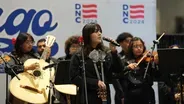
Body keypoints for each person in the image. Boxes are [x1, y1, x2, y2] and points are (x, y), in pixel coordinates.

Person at [69, 23, 122, 104]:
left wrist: (114, 52)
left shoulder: (105, 52)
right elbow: (75, 78)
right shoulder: (80, 55)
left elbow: (117, 71)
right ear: (88, 35)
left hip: (104, 95)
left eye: (100, 31)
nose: (99, 33)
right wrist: (95, 82)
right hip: (88, 95)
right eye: (96, 31)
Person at [114, 37, 160, 104]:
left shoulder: (148, 59)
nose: (139, 48)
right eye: (135, 46)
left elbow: (157, 75)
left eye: (141, 46)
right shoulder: (125, 61)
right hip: (131, 95)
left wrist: (156, 64)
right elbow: (117, 75)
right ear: (131, 48)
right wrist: (127, 68)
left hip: (147, 94)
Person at [5, 32, 40, 104]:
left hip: (34, 89)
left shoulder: (36, 55)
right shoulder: (10, 56)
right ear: (20, 44)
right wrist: (27, 68)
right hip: (18, 89)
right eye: (27, 42)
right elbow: (8, 68)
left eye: (31, 42)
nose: (30, 44)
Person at [55, 35, 81, 104]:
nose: (75, 49)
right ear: (68, 48)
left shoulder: (84, 61)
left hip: (80, 92)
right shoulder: (61, 60)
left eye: (78, 47)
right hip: (65, 92)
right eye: (73, 46)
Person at [113, 32, 133, 104]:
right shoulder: (117, 57)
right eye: (127, 41)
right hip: (123, 93)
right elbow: (115, 77)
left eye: (131, 41)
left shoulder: (136, 56)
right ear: (120, 43)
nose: (130, 44)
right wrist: (121, 94)